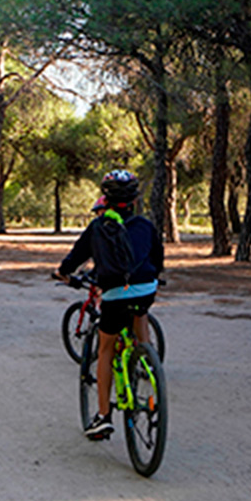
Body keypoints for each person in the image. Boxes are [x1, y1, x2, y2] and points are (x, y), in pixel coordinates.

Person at [55, 170, 164, 440]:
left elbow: (74, 258)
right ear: (135, 199)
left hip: (115, 294)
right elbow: (158, 258)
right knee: (140, 311)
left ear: (106, 198)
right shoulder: (145, 225)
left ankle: (103, 416)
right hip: (145, 289)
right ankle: (146, 360)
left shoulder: (98, 226)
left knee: (105, 348)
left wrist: (62, 272)